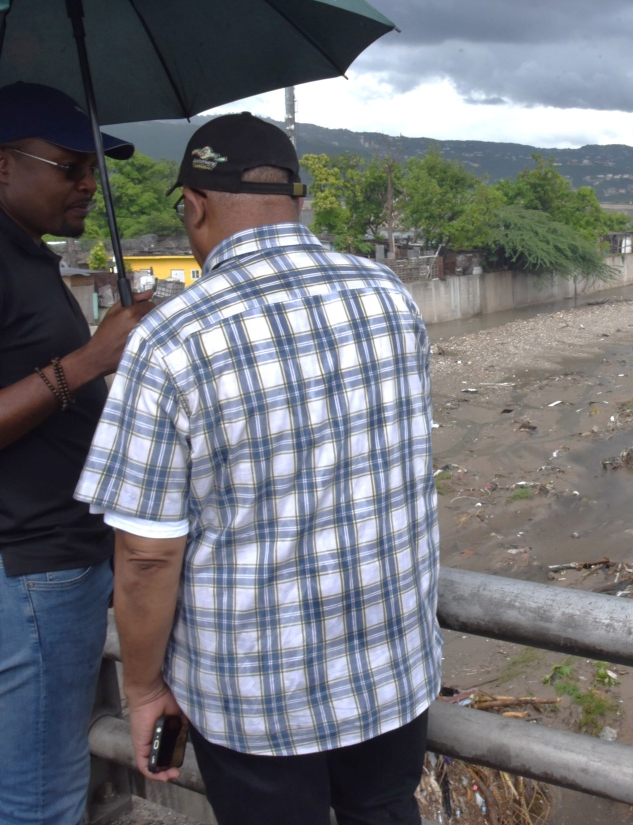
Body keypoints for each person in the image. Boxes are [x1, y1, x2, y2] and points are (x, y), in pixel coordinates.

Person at [75, 113, 442, 825]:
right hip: (392, 676)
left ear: (195, 205)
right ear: (296, 200)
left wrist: (146, 689)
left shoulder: (174, 339)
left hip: (255, 700)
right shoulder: (388, 296)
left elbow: (147, 558)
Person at [0, 82, 153, 825]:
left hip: (61, 564)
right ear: (2, 164)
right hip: (27, 573)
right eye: (71, 166)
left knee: (57, 785)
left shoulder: (26, 252)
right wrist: (89, 359)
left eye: (93, 171)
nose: (87, 184)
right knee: (40, 803)